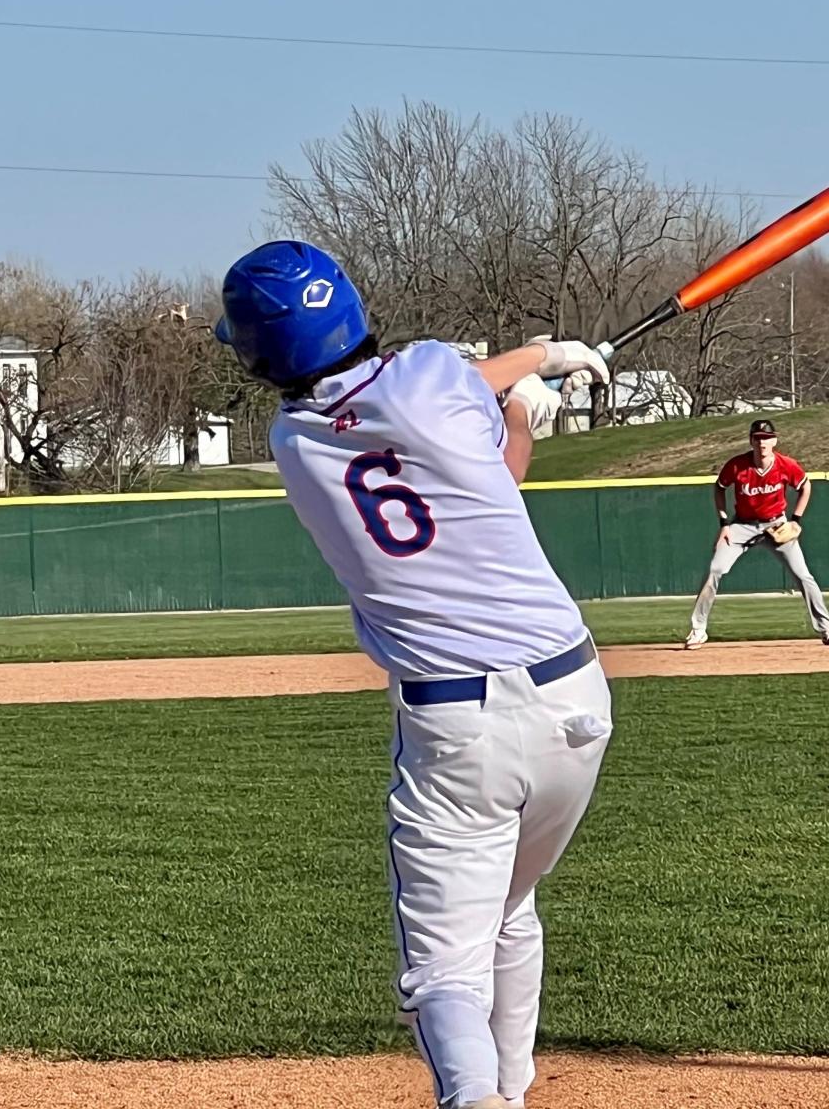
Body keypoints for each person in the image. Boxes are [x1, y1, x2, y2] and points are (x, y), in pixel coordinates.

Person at [215, 240, 614, 1109]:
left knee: (442, 976)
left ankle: (476, 1099)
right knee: (511, 906)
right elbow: (484, 440)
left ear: (258, 355)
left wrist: (517, 387)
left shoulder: (295, 439)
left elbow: (453, 400)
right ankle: (511, 1091)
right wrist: (534, 387)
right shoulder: (434, 374)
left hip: (459, 728)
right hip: (576, 697)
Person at [685, 418, 829, 649]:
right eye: (758, 438)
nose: (762, 443)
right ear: (751, 441)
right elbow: (720, 488)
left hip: (776, 525)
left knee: (804, 576)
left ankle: (826, 628)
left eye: (766, 438)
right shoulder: (737, 466)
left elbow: (805, 485)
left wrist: (796, 520)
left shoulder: (785, 464)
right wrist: (724, 523)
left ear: (774, 440)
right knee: (716, 569)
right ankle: (698, 629)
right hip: (741, 526)